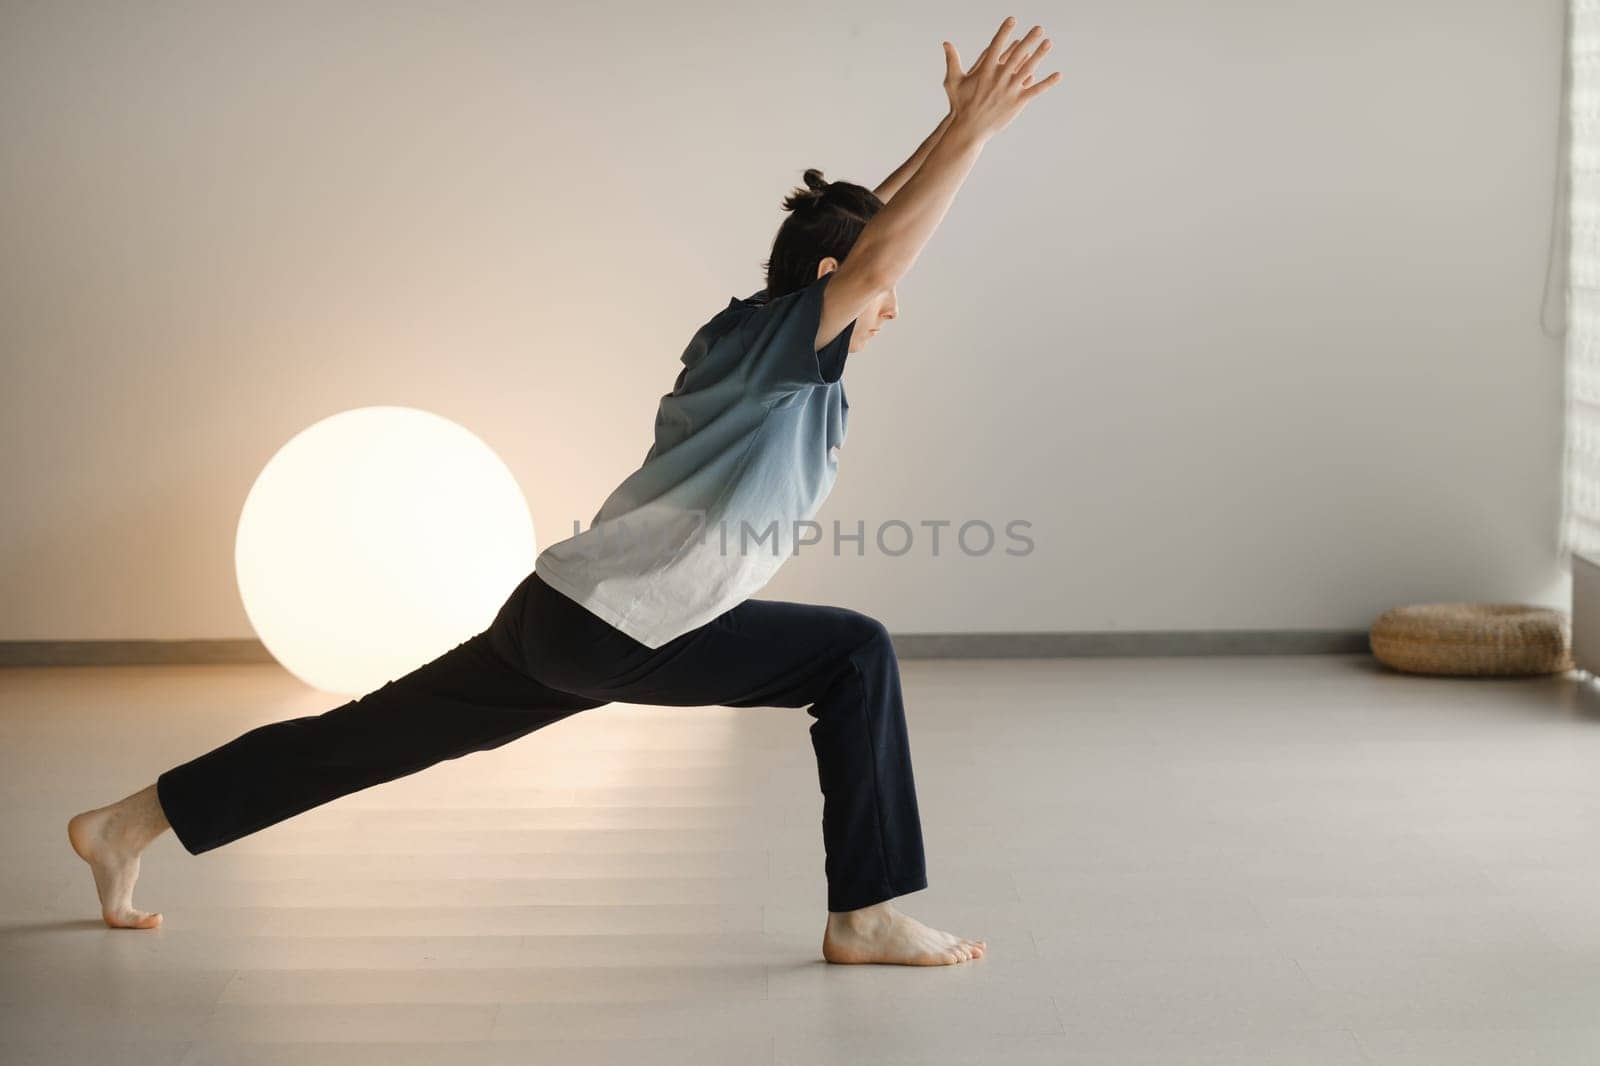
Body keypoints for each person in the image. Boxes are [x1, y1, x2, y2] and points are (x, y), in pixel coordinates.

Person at [66, 16, 1059, 966]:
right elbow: (880, 249)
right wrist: (970, 140)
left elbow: (869, 232)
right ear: (839, 279)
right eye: (881, 287)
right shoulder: (781, 350)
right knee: (852, 655)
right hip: (616, 627)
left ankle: (127, 821)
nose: (894, 303)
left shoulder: (753, 332)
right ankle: (867, 914)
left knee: (367, 736)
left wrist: (956, 126)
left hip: (562, 614)